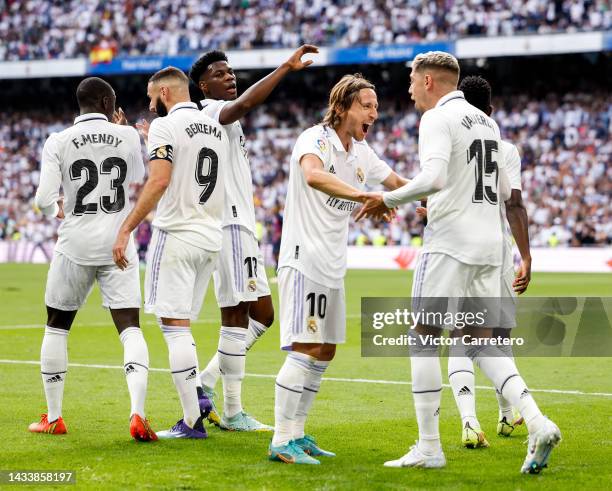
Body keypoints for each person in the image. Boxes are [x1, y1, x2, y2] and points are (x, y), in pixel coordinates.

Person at [359, 51, 560, 474]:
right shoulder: (488, 123)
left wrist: (385, 198)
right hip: (491, 246)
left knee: (423, 336)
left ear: (430, 81)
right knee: (481, 341)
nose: (410, 88)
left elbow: (433, 178)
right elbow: (508, 194)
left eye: (412, 79)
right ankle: (537, 422)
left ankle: (430, 446)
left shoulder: (436, 118)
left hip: (450, 242)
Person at [269, 73, 407, 464]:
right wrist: (368, 195)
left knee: (326, 350)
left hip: (332, 263)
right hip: (304, 258)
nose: (374, 115)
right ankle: (281, 439)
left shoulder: (362, 153)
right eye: (367, 106)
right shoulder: (315, 138)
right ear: (343, 106)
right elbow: (313, 175)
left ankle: (297, 432)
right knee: (306, 345)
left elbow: (397, 181)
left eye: (376, 108)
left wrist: (434, 195)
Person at [188, 45, 318, 431]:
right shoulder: (209, 111)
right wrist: (285, 67)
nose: (230, 77)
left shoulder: (222, 119)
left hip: (241, 225)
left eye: (231, 72)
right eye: (220, 73)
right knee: (235, 315)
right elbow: (243, 105)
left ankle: (204, 382)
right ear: (202, 85)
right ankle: (231, 411)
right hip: (228, 225)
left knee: (262, 315)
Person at [31, 77, 156, 442]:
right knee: (130, 328)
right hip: (118, 242)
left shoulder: (57, 141)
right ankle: (138, 413)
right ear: (105, 102)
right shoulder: (130, 135)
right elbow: (134, 177)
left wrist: (56, 209)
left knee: (57, 325)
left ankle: (54, 417)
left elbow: (42, 199)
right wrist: (120, 135)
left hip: (76, 243)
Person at [113, 66, 229, 439]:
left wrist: (127, 226)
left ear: (164, 93)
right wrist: (154, 140)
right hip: (210, 237)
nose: (149, 105)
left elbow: (160, 179)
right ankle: (195, 411)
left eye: (150, 98)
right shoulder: (214, 127)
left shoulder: (166, 126)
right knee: (183, 326)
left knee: (172, 326)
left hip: (177, 234)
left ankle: (192, 421)